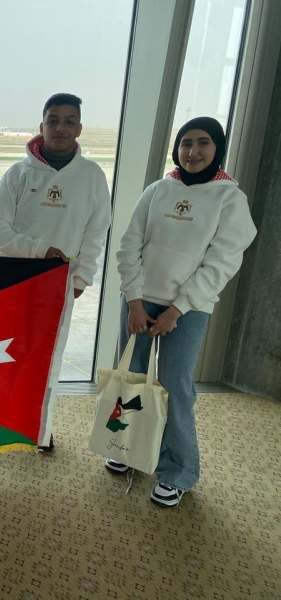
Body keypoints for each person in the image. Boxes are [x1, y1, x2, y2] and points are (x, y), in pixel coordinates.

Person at [111, 116, 256, 507]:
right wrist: (134, 299)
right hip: (140, 299)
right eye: (186, 143)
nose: (193, 151)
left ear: (217, 148)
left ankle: (178, 471)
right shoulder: (158, 190)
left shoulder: (230, 199)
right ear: (176, 149)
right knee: (132, 376)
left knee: (175, 385)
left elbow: (222, 263)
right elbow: (129, 245)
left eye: (203, 142)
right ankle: (125, 445)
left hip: (189, 307)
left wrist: (178, 308)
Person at [0, 93, 112, 450]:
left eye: (69, 121)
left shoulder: (92, 176)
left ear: (80, 128)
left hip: (58, 286)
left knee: (44, 359)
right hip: (9, 282)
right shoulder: (18, 173)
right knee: (1, 355)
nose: (60, 128)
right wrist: (41, 251)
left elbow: (96, 233)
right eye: (53, 121)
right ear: (41, 126)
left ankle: (39, 428)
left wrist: (82, 276)